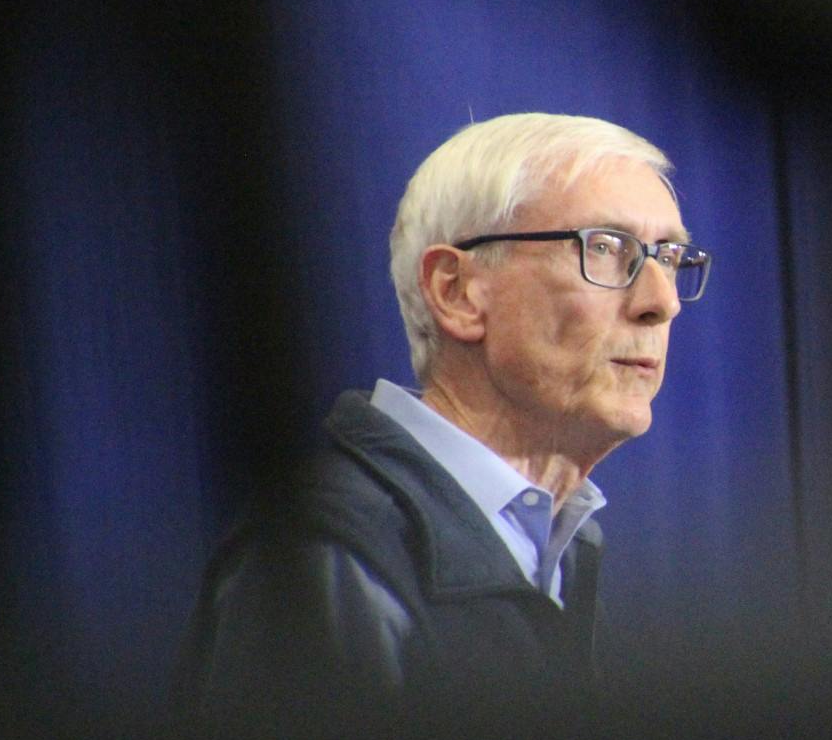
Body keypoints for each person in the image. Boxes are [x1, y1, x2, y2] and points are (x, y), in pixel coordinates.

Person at [180, 112, 710, 700]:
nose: (662, 302)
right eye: (606, 248)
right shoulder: (325, 556)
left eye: (669, 258)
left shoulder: (561, 546)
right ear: (456, 293)